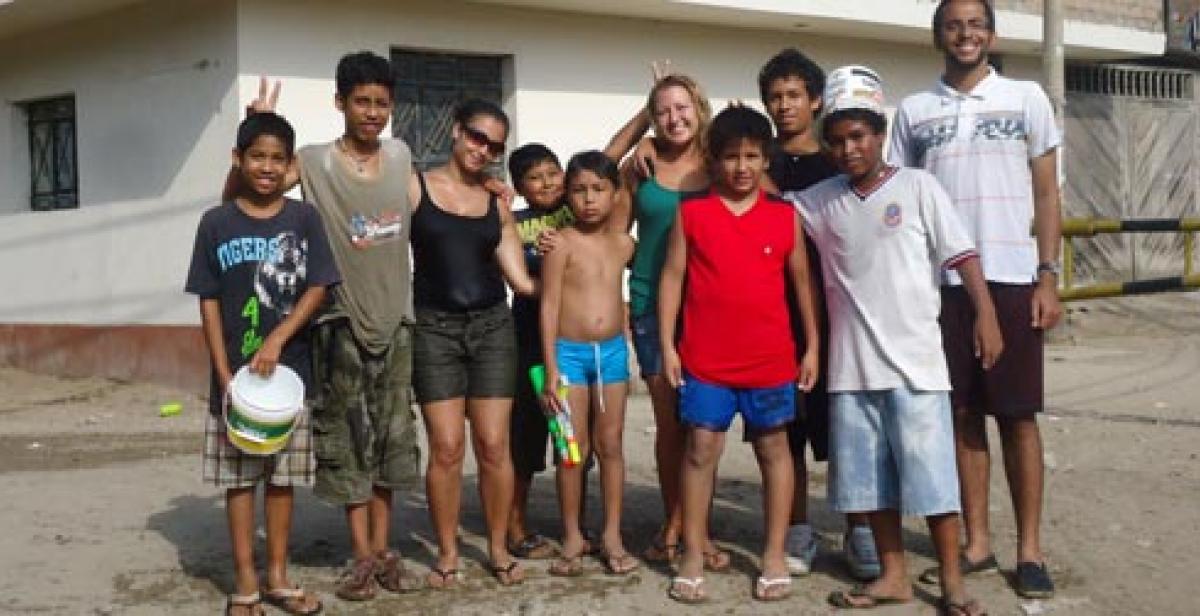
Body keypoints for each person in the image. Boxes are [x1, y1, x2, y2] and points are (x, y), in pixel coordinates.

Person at [798, 65, 1000, 616]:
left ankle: (954, 582)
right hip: (851, 371)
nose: (847, 149)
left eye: (858, 136)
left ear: (879, 133)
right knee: (869, 486)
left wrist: (986, 313)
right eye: (836, 140)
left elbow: (962, 255)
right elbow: (761, 201)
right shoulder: (818, 201)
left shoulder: (918, 187)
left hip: (917, 367)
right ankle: (893, 577)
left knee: (934, 483)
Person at [888, 0, 1063, 599]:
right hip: (942, 287)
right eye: (954, 25)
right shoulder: (912, 112)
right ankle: (978, 543)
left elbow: (1046, 193)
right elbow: (902, 199)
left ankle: (1031, 550)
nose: (966, 34)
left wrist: (1048, 275)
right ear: (938, 34)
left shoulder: (1027, 99)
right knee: (960, 416)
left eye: (976, 24)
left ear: (991, 33)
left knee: (1017, 416)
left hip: (1013, 277)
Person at [658, 105, 821, 603]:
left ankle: (773, 554)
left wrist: (813, 345)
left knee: (775, 450)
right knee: (700, 449)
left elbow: (801, 284)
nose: (742, 167)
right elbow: (672, 279)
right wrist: (667, 344)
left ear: (766, 158)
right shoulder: (691, 214)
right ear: (713, 159)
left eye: (753, 156)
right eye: (731, 157)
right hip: (705, 358)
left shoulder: (784, 216)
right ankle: (691, 553)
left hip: (771, 359)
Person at [287, 52, 426, 602]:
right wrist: (255, 127)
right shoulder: (313, 161)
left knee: (393, 438)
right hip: (338, 320)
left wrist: (491, 194)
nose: (372, 113)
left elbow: (427, 203)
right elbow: (257, 183)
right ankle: (361, 555)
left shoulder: (400, 154)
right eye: (362, 102)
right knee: (347, 437)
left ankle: (383, 549)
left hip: (397, 321)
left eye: (382, 104)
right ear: (340, 102)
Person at [187, 112, 337, 616]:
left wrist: (276, 338)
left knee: (280, 479)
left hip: (288, 380)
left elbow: (318, 286)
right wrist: (224, 371)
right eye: (257, 156)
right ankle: (246, 583)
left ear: (290, 164)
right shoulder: (216, 222)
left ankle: (277, 576)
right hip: (235, 383)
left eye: (277, 159)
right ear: (238, 160)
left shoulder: (303, 218)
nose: (267, 167)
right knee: (238, 481)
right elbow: (207, 299)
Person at [758, 46, 880, 580]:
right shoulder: (756, 160)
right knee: (785, 430)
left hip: (840, 314)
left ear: (815, 101)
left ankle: (860, 528)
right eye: (774, 97)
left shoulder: (841, 159)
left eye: (793, 96)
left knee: (848, 425)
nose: (784, 106)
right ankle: (798, 528)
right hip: (773, 316)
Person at [408, 99, 538, 588]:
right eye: (477, 137)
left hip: (490, 328)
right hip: (434, 329)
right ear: (457, 131)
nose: (483, 150)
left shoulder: (497, 203)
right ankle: (446, 551)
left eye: (495, 146)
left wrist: (577, 265)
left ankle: (499, 548)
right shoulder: (414, 186)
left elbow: (522, 283)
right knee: (445, 447)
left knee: (493, 444)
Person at [623, 73, 729, 570]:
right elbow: (611, 220)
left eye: (682, 107)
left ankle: (696, 527)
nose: (674, 118)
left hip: (707, 307)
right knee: (669, 424)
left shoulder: (718, 161)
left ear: (699, 107)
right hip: (649, 305)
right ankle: (676, 522)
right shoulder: (639, 166)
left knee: (702, 424)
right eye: (662, 110)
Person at [539, 151, 638, 577]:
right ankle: (573, 535)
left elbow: (638, 185)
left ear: (615, 195)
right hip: (568, 357)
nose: (589, 199)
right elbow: (549, 306)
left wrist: (646, 147)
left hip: (612, 355)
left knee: (611, 445)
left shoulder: (623, 244)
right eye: (578, 191)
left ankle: (612, 533)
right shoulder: (559, 242)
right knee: (571, 449)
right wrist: (549, 368)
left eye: (599, 189)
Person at [505, 143, 573, 560]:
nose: (548, 182)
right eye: (535, 176)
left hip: (575, 341)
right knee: (526, 438)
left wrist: (646, 116)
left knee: (572, 437)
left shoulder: (577, 208)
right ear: (519, 187)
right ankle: (516, 525)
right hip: (529, 342)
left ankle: (575, 524)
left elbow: (610, 157)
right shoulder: (512, 224)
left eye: (553, 172)